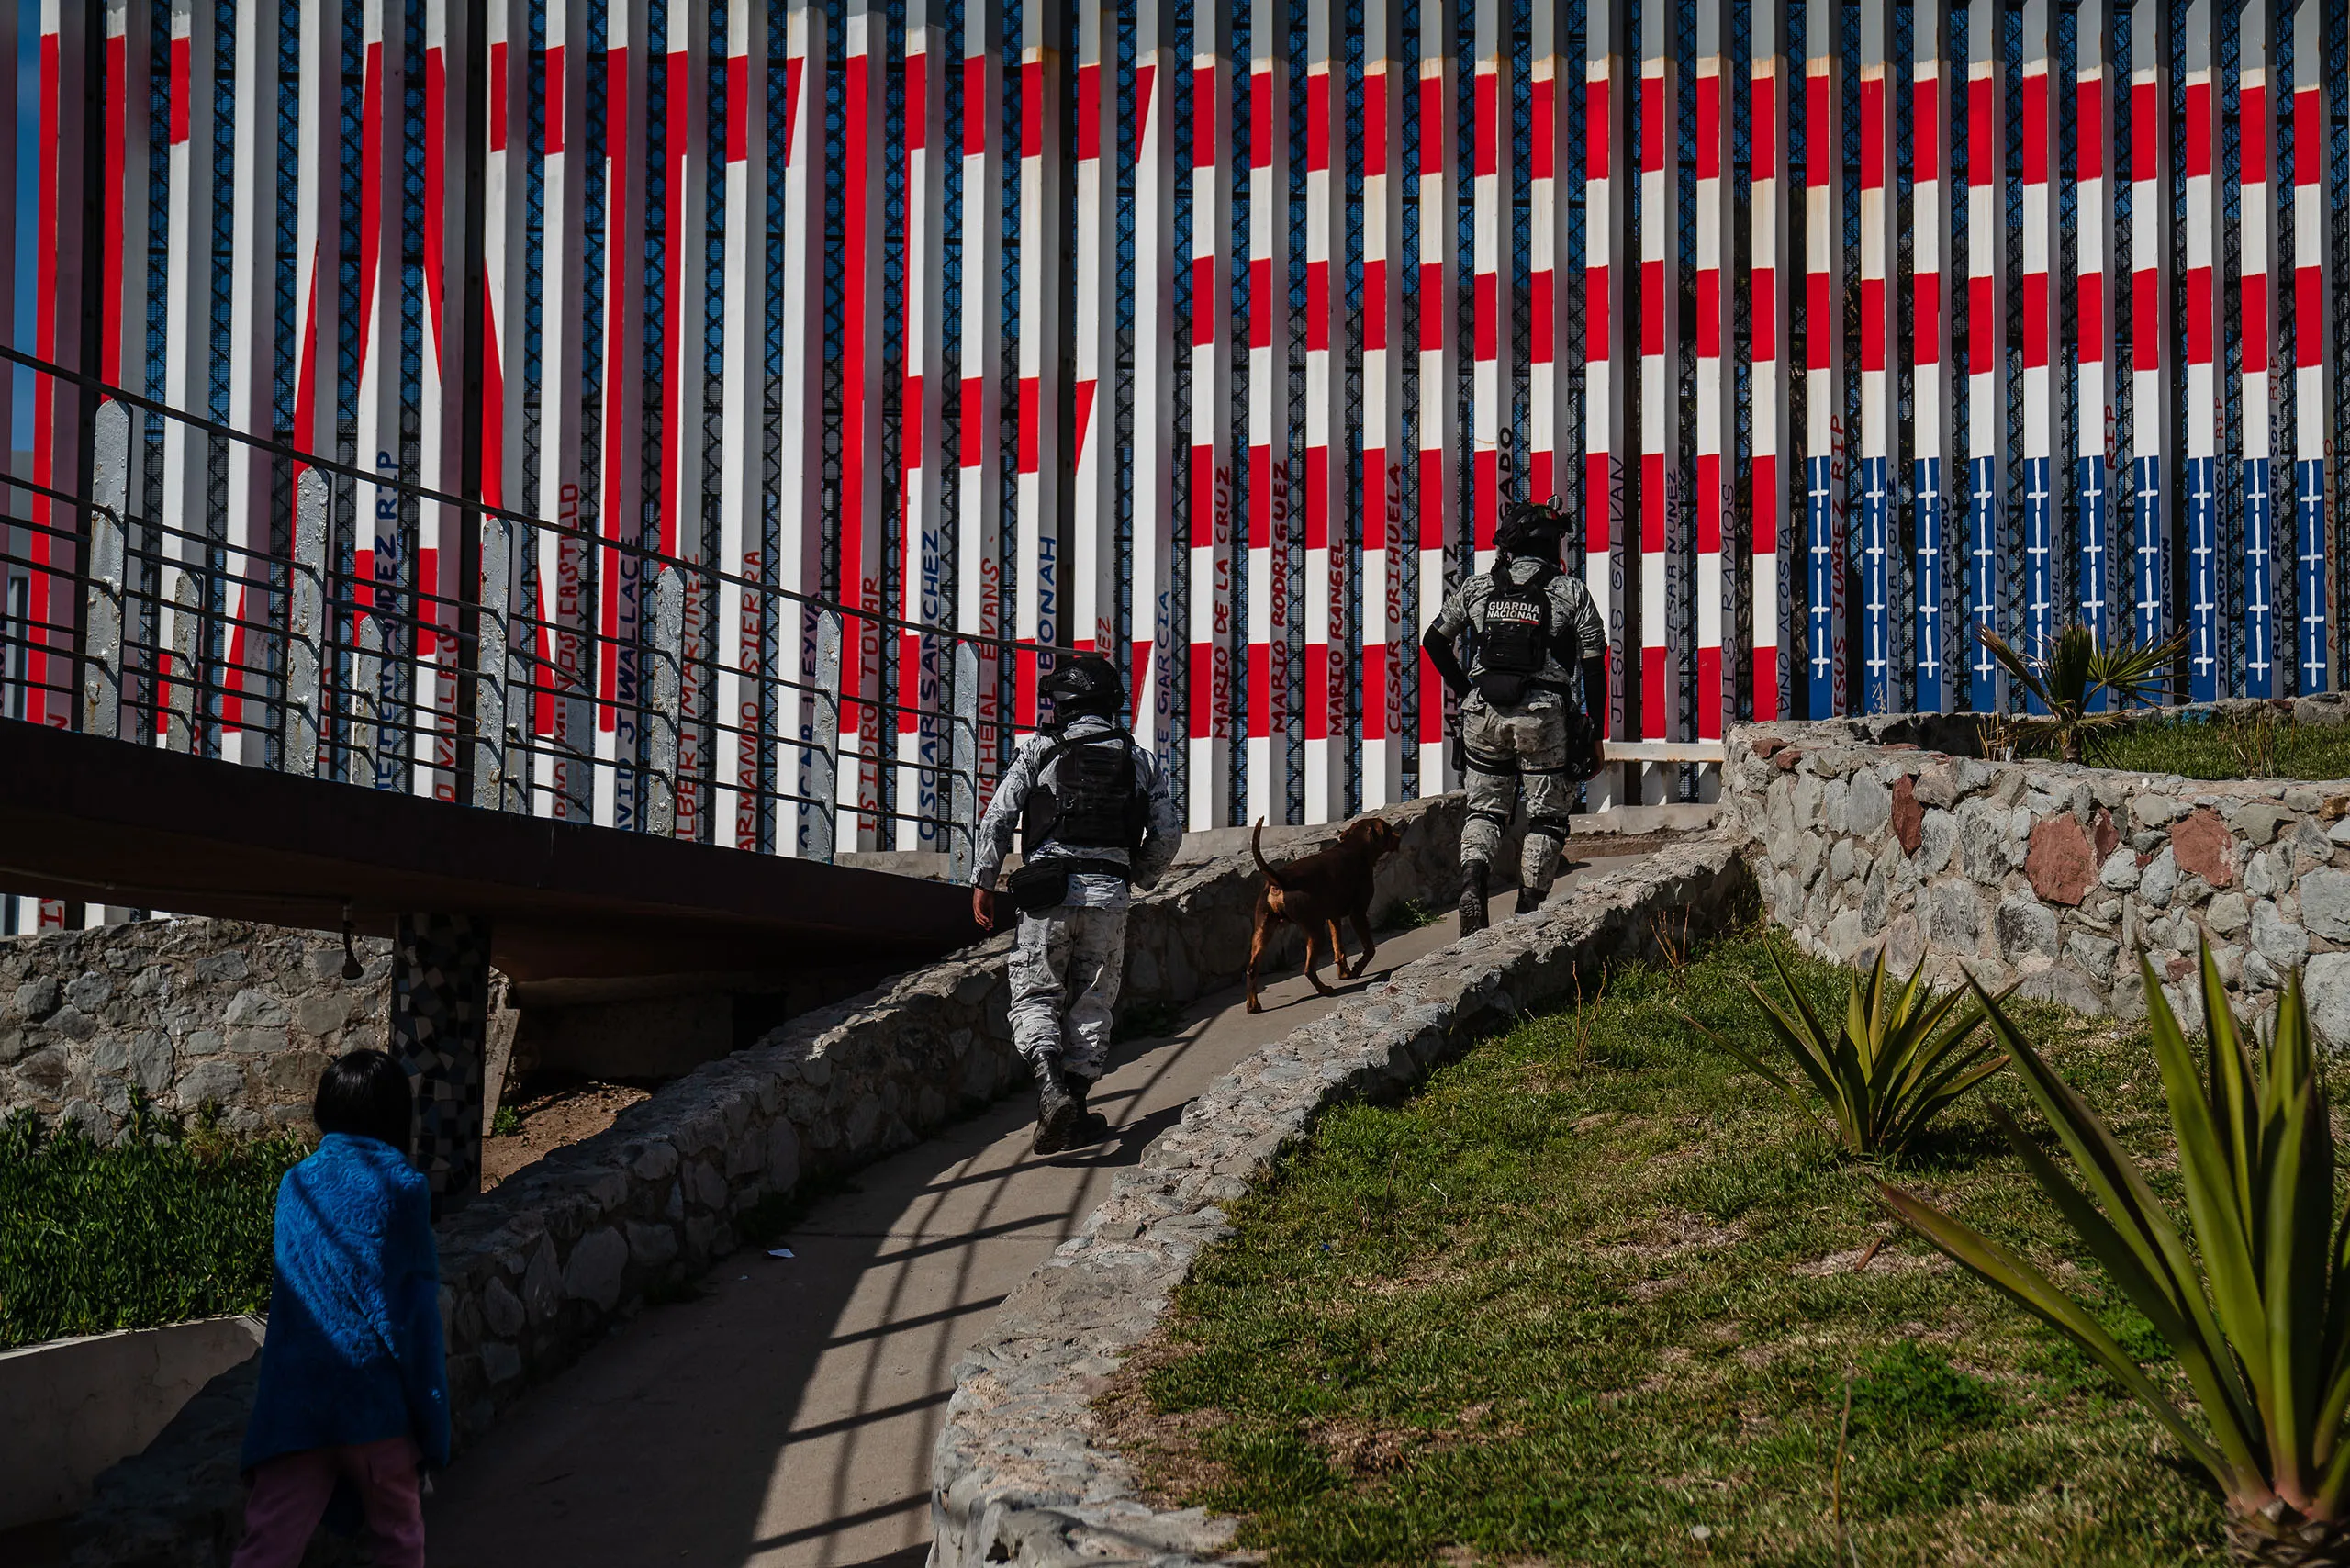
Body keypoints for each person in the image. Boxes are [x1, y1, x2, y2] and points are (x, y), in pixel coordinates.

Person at [230, 1049, 449, 1568]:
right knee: (398, 1540)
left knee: (266, 1550)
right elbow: (411, 1315)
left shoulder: (295, 1184)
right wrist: (432, 1420)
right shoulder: (404, 1188)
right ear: (397, 1113)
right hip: (372, 1404)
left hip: (295, 1404)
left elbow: (292, 1299)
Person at [971, 654, 1183, 1155]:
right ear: (1110, 704)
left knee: (1035, 997)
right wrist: (1140, 876)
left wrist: (982, 878)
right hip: (1109, 895)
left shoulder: (1040, 750)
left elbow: (999, 816)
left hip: (1048, 894)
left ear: (1062, 704)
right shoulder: (1140, 759)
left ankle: (1052, 1092)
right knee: (1093, 1002)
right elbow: (1168, 833)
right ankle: (1076, 1107)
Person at [1419, 497, 1609, 935]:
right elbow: (1595, 665)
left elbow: (1433, 640)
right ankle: (1525, 915)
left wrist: (1468, 690)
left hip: (1483, 713)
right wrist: (1595, 731)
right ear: (1552, 547)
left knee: (1484, 810)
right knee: (1546, 816)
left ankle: (1472, 884)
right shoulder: (1571, 592)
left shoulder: (1478, 587)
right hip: (1544, 717)